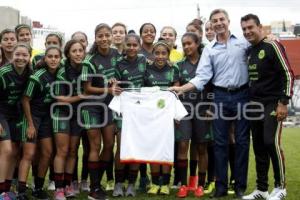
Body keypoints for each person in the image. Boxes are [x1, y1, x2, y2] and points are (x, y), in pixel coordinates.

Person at [170, 9, 251, 199]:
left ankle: (240, 186)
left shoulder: (243, 42)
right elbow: (202, 76)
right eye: (215, 21)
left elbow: (258, 46)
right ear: (212, 25)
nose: (218, 23)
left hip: (242, 95)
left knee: (242, 142)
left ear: (228, 21)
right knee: (220, 144)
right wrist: (182, 89)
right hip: (220, 97)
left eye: (222, 19)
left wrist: (270, 37)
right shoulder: (209, 49)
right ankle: (220, 187)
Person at [240, 14, 294, 200]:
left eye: (250, 27)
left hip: (272, 103)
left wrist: (283, 102)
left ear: (260, 27)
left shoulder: (272, 45)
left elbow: (288, 74)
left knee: (271, 143)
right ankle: (261, 190)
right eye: (244, 29)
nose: (247, 31)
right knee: (259, 147)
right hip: (254, 105)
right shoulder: (249, 51)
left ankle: (280, 187)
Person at [80, 23, 121, 200]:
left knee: (110, 145)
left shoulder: (115, 54)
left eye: (107, 35)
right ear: (95, 38)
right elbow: (86, 89)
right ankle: (94, 189)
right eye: (100, 36)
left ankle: (98, 182)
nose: (104, 38)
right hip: (91, 107)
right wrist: (107, 89)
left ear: (111, 36)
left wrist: (114, 81)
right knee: (95, 146)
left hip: (109, 106)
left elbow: (120, 73)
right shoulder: (89, 60)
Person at [17, 45, 62, 200]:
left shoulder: (60, 73)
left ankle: (37, 188)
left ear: (60, 59)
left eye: (57, 57)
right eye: (50, 56)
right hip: (33, 117)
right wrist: (30, 124)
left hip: (47, 118)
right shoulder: (37, 77)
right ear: (45, 58)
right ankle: (21, 191)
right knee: (28, 154)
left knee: (47, 153)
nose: (53, 59)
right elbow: (25, 100)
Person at [175, 32, 213, 198]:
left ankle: (201, 185)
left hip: (203, 110)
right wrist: (176, 112)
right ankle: (183, 185)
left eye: (189, 43)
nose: (186, 47)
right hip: (184, 110)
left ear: (197, 43)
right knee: (183, 146)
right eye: (184, 44)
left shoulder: (207, 63)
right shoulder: (179, 65)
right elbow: (175, 92)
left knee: (202, 147)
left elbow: (212, 88)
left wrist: (212, 107)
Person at [112, 33, 146, 197]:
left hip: (140, 109)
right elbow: (115, 86)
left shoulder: (144, 61)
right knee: (121, 146)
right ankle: (118, 184)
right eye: (129, 45)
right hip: (123, 109)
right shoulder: (118, 64)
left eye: (135, 45)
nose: (132, 48)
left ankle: (132, 184)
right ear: (124, 46)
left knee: (136, 146)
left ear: (139, 46)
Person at [52, 39, 86, 199]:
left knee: (73, 151)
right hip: (61, 113)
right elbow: (59, 99)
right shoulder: (62, 70)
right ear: (68, 54)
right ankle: (58, 189)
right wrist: (80, 96)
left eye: (80, 50)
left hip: (77, 113)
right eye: (74, 51)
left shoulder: (86, 68)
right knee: (63, 151)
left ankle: (67, 184)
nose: (78, 54)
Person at [145, 40, 180, 195]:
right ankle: (154, 183)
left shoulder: (174, 68)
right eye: (157, 53)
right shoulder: (146, 68)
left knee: (166, 148)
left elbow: (176, 93)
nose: (160, 56)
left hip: (167, 116)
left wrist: (175, 114)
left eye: (163, 53)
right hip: (151, 116)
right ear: (152, 54)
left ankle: (165, 183)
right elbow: (142, 92)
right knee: (153, 148)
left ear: (168, 54)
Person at [0, 43, 32, 199]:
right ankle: (1, 192)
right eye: (17, 54)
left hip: (17, 115)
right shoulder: (3, 73)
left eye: (24, 55)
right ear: (12, 56)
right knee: (6, 150)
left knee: (13, 152)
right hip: (2, 115)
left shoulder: (30, 73)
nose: (21, 58)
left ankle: (7, 189)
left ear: (29, 57)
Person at [70, 31, 90, 192]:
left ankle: (84, 179)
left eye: (82, 42)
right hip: (72, 113)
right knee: (73, 148)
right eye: (75, 43)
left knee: (89, 148)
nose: (79, 46)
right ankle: (73, 181)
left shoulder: (90, 63)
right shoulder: (65, 66)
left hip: (90, 111)